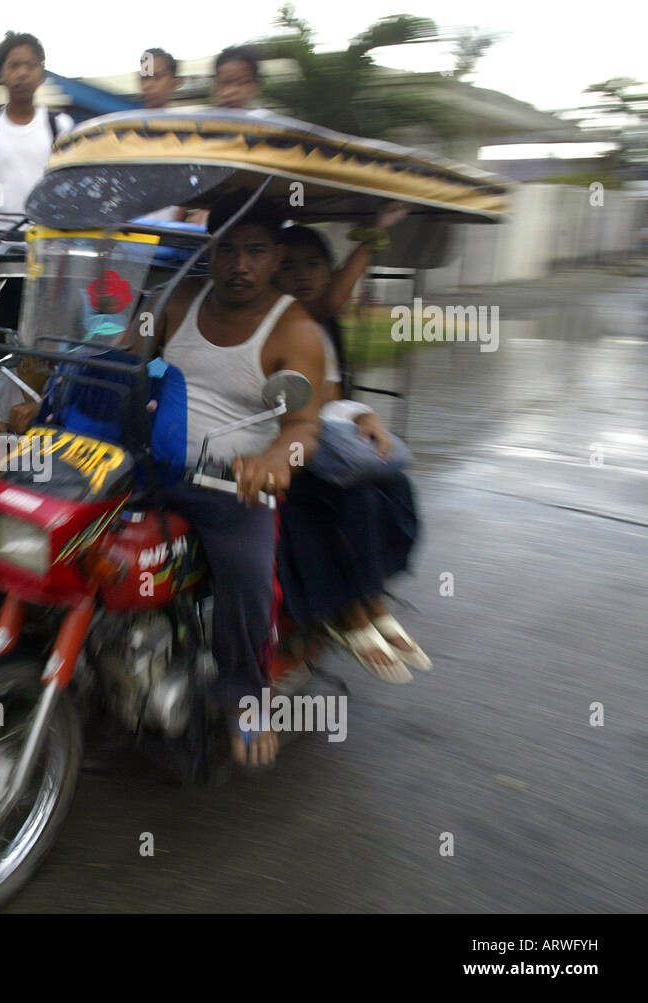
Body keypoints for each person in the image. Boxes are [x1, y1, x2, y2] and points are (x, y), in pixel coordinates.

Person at [138, 207, 326, 767]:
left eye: (256, 251)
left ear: (277, 259)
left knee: (245, 577)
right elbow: (120, 360)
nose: (239, 265)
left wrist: (275, 459)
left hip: (231, 485)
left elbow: (304, 427)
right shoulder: (175, 301)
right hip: (153, 466)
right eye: (227, 249)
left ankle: (248, 697)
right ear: (209, 252)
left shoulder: (295, 330)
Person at [272, 208, 433, 681]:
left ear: (326, 269)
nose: (302, 277)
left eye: (312, 265)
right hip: (279, 449)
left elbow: (334, 399)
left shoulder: (319, 329)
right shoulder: (276, 321)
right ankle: (346, 610)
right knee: (348, 499)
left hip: (321, 442)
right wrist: (374, 235)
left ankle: (370, 598)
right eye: (290, 266)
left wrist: (367, 419)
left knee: (391, 486)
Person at [0, 32, 73, 224]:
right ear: (0, 75)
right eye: (14, 66)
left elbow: (67, 183)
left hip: (44, 240)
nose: (22, 73)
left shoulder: (60, 125)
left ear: (42, 74)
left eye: (31, 65)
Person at [212, 45, 262, 110]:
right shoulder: (203, 118)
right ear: (216, 86)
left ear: (255, 87)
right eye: (225, 82)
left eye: (243, 82)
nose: (232, 91)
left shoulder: (262, 119)